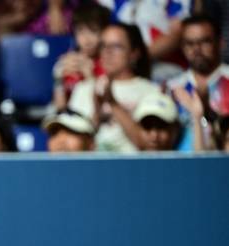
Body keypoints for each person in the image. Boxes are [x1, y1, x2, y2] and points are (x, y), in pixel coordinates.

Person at [68, 22, 160, 152]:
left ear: (134, 53)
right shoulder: (83, 89)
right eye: (103, 46)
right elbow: (73, 147)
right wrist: (96, 116)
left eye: (116, 46)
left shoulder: (151, 91)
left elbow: (148, 145)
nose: (107, 52)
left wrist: (113, 104)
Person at [168, 15, 229, 151]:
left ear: (220, 43)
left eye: (204, 42)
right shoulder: (172, 89)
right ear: (182, 47)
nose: (196, 49)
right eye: (189, 43)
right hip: (180, 164)